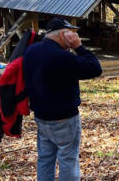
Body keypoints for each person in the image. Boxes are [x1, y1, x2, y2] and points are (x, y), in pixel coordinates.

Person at [23, 17, 102, 181]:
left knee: (45, 158)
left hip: (41, 117)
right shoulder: (61, 57)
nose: (74, 37)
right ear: (62, 34)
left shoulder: (31, 51)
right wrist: (79, 47)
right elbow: (95, 68)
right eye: (71, 33)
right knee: (68, 160)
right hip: (65, 119)